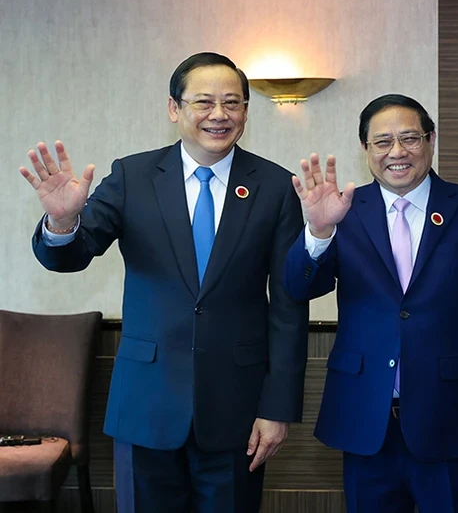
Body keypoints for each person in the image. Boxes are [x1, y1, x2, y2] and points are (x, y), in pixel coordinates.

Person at [20, 52, 309, 513]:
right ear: (174, 108)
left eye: (233, 102)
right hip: (145, 406)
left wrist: (278, 407)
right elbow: (73, 255)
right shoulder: (133, 176)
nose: (220, 114)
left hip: (237, 412)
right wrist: (62, 221)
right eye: (204, 102)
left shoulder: (276, 187)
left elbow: (289, 306)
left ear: (247, 112)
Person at [282, 94, 458, 512]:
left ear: (430, 141)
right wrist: (318, 232)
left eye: (410, 138)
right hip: (366, 422)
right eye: (383, 142)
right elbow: (298, 287)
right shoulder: (343, 210)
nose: (397, 152)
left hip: (455, 425)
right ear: (366, 150)